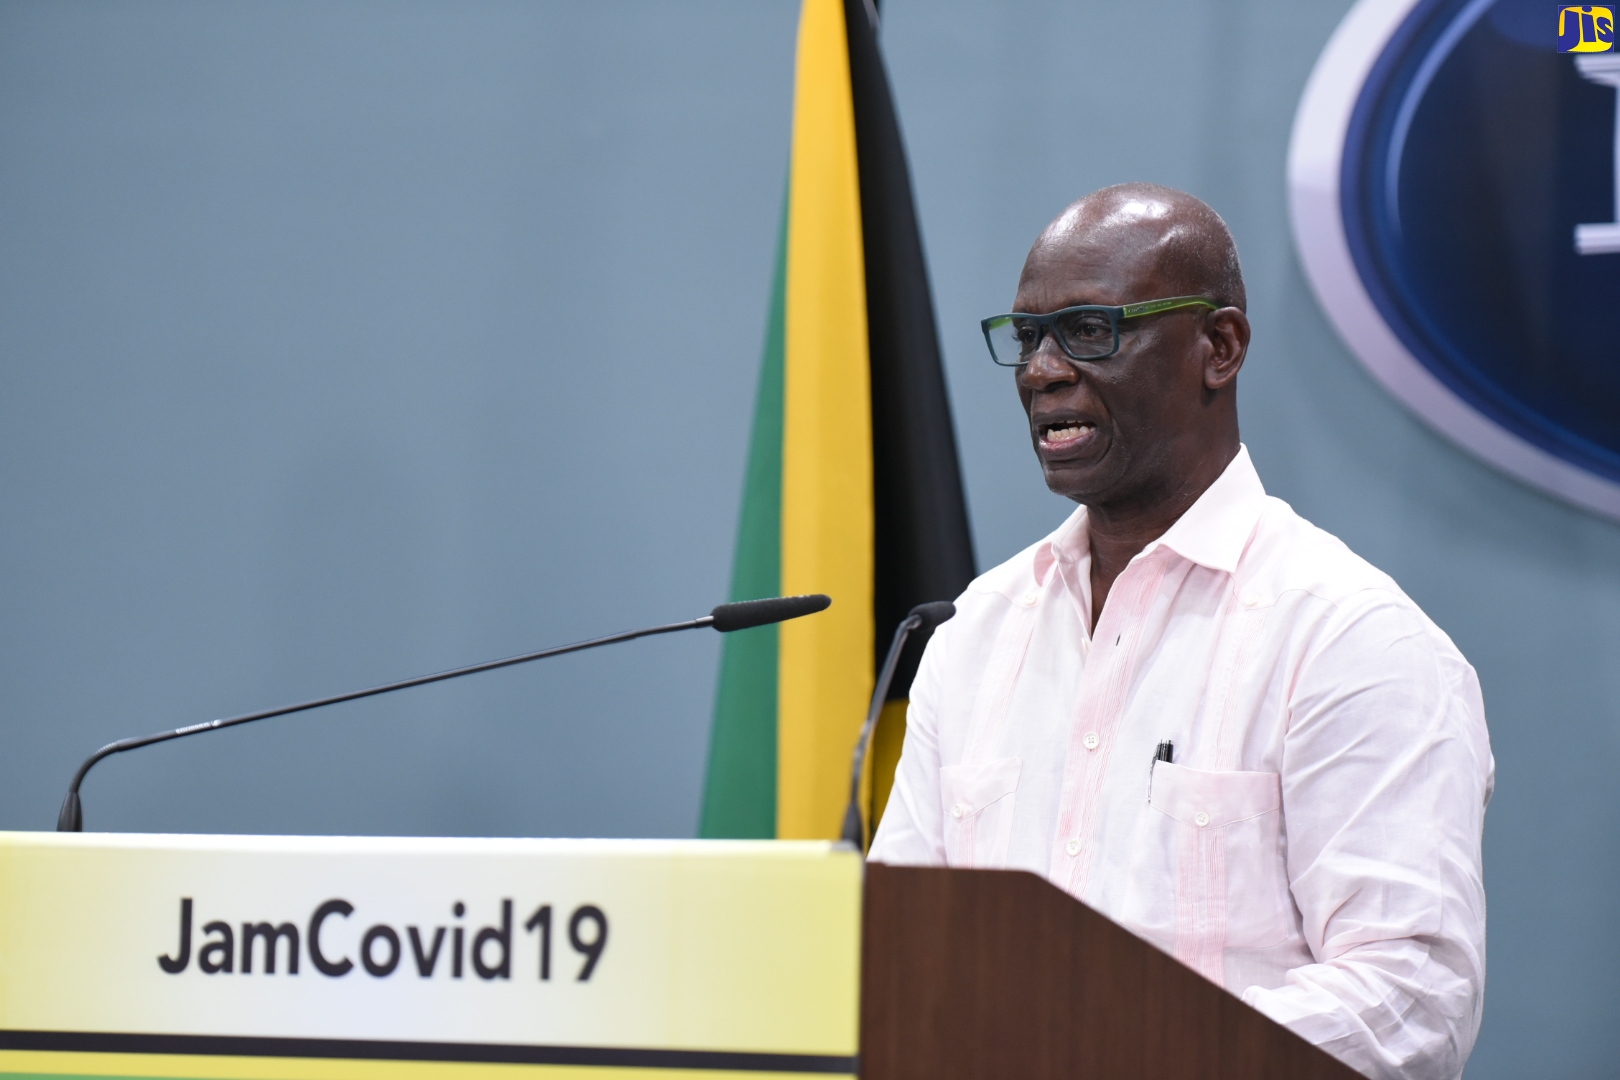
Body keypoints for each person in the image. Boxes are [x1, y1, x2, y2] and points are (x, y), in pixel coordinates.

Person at [868, 183, 1493, 1080]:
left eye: (1090, 332)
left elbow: (1409, 1003)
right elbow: (906, 958)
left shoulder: (1350, 639)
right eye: (1028, 337)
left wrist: (1111, 1053)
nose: (1043, 370)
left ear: (1219, 347)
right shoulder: (973, 635)